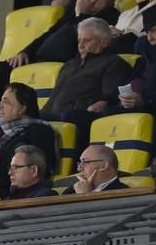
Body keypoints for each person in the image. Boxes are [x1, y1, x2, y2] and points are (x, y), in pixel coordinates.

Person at [0, 0, 121, 98]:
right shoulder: (72, 11)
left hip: (61, 63)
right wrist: (25, 52)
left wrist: (81, 15)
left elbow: (76, 43)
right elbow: (48, 34)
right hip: (36, 59)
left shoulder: (109, 17)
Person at [42, 17, 132, 149]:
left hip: (80, 115)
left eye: (87, 40)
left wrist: (103, 102)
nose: (81, 45)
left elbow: (110, 96)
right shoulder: (70, 65)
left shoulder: (113, 63)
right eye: (79, 40)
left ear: (104, 41)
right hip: (54, 114)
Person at [117, 2, 156, 186]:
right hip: (148, 106)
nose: (149, 37)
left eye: (154, 30)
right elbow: (133, 79)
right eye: (147, 32)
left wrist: (147, 99)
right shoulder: (150, 52)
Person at [0, 83, 57, 198]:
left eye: (6, 101)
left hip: (8, 190)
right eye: (0, 101)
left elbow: (37, 168)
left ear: (22, 108)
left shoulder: (39, 131)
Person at [62, 145, 128, 194]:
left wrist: (84, 196)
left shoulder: (123, 193)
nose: (79, 168)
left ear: (104, 166)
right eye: (80, 163)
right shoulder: (71, 190)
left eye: (85, 162)